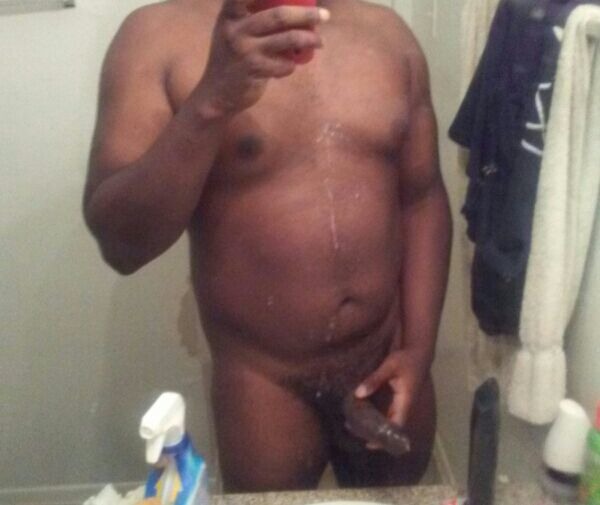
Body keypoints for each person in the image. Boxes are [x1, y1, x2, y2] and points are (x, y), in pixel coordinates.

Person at [83, 0, 452, 492]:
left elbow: (422, 198)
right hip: (264, 381)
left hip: (386, 355)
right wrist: (212, 100)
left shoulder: (386, 32)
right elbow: (121, 245)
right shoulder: (155, 38)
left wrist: (420, 348)